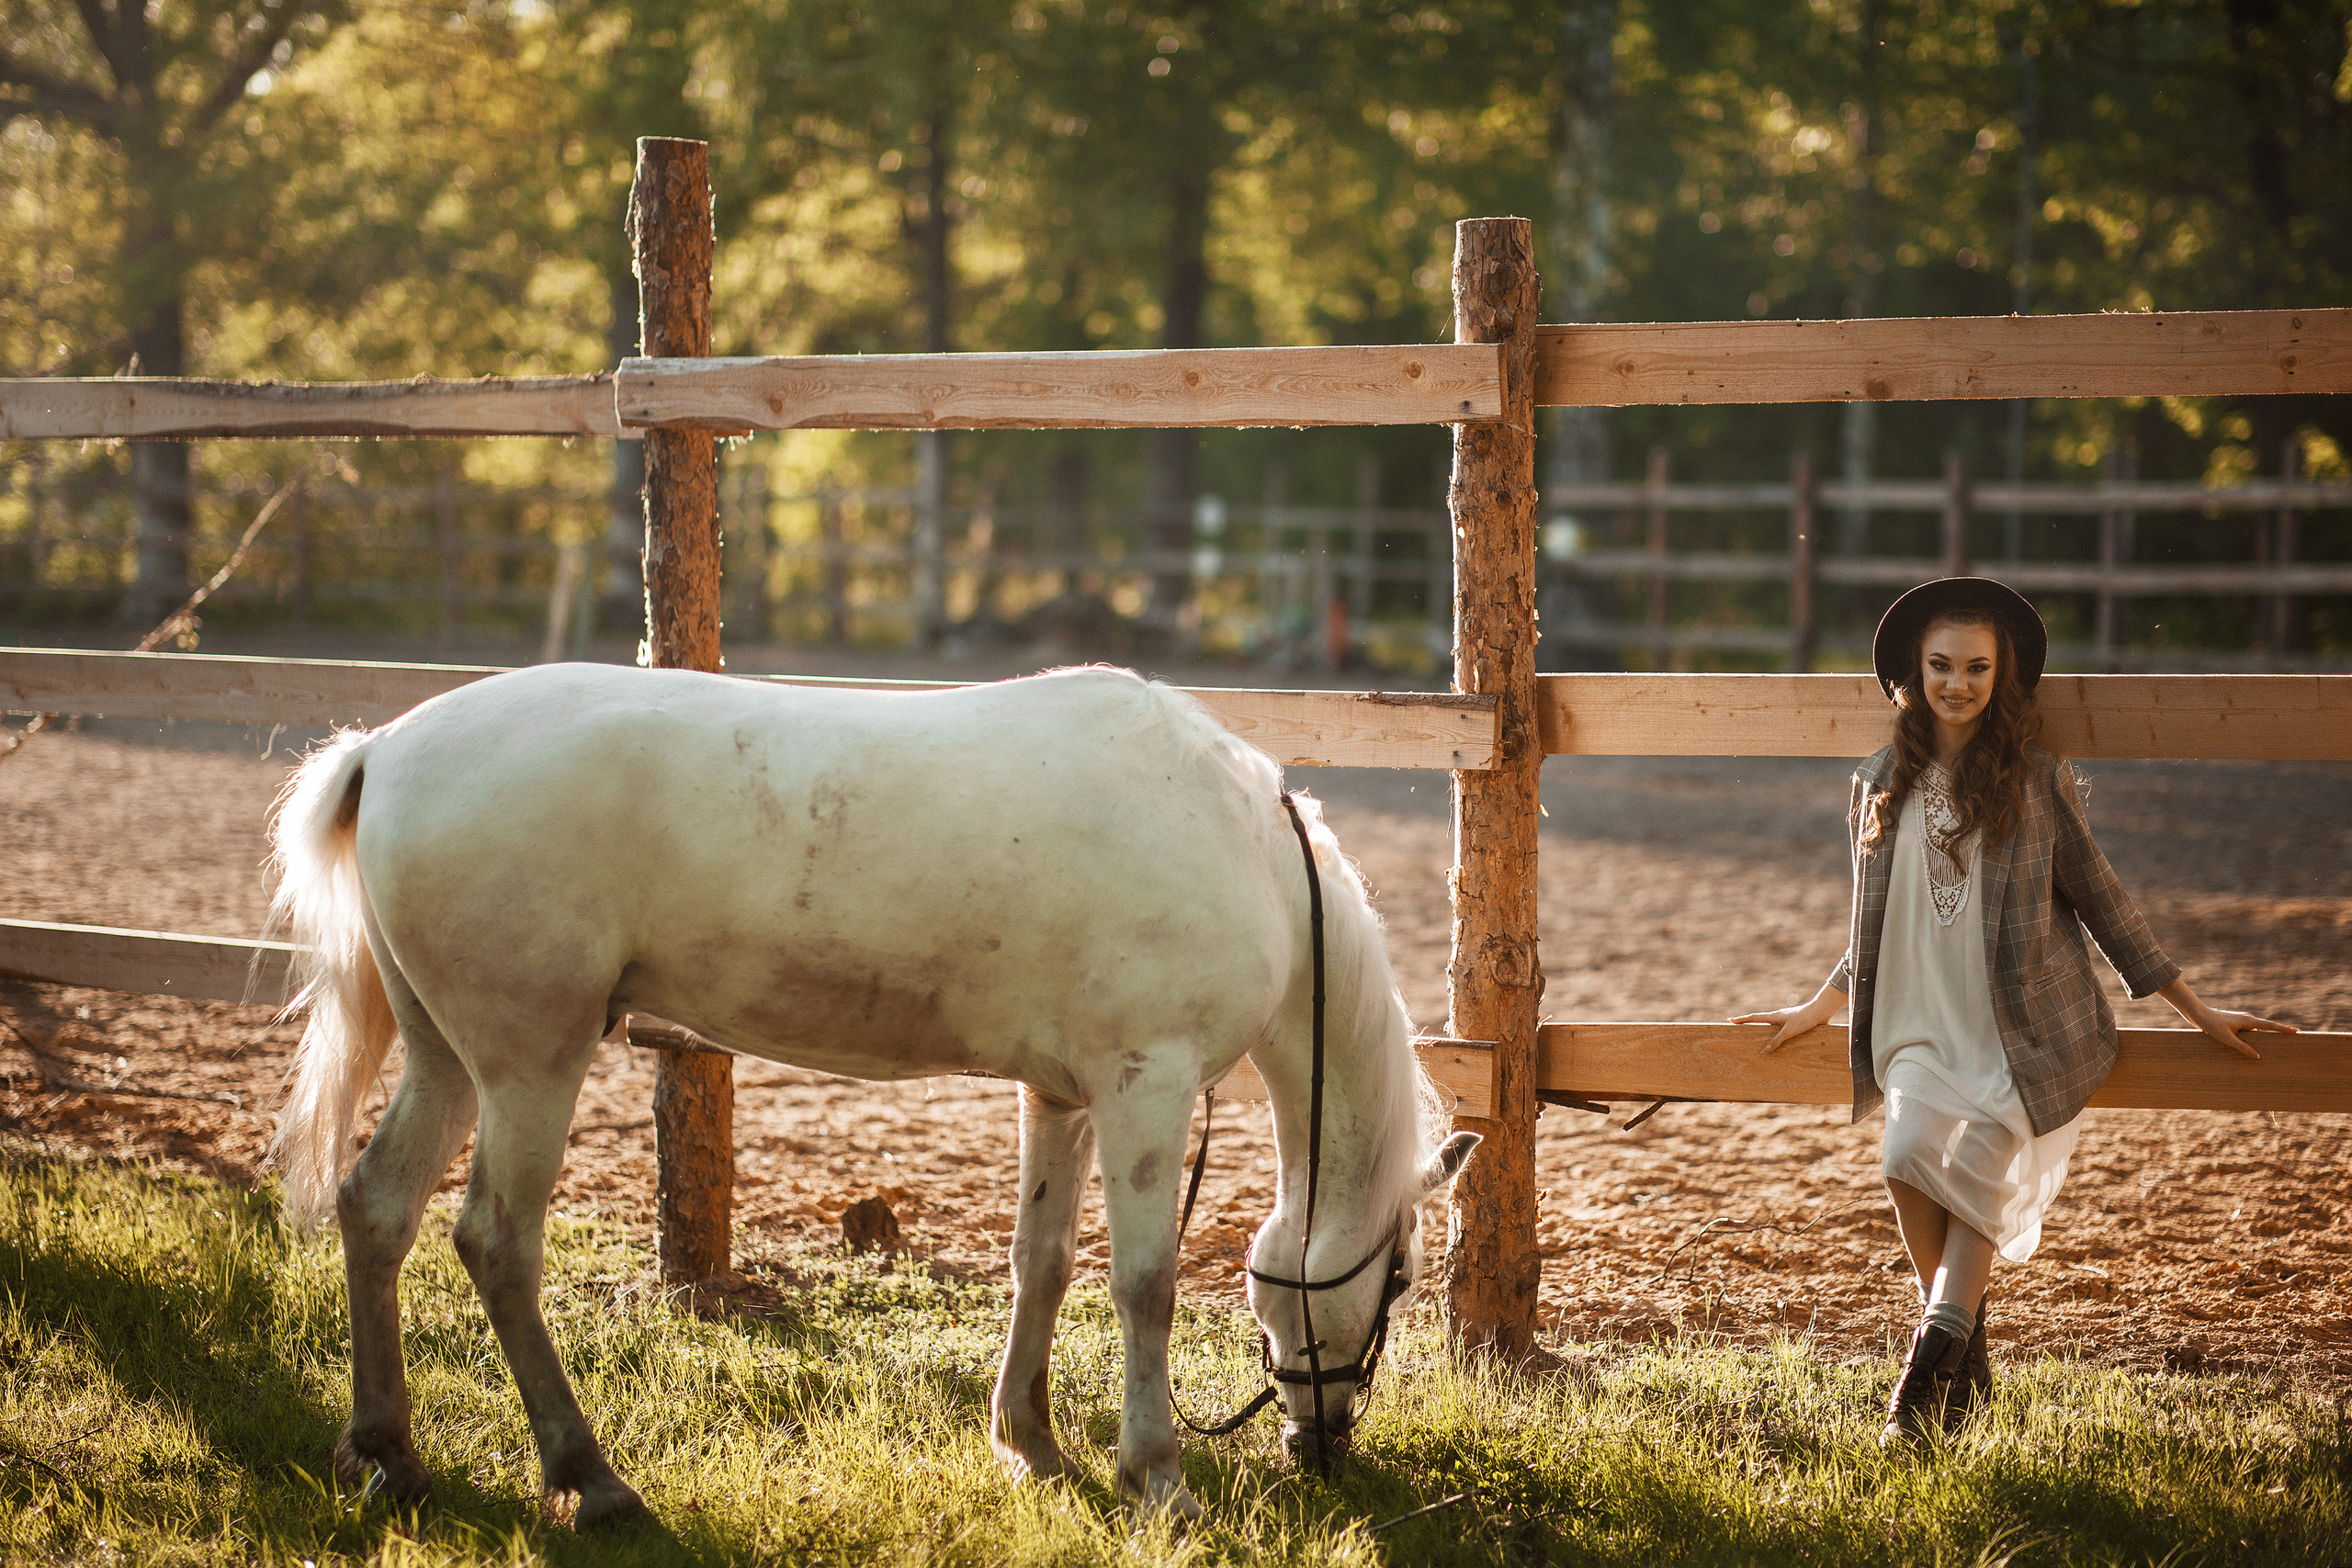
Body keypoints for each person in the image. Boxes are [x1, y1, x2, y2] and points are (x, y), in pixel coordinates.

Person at [1732, 578, 2294, 1447]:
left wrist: (2199, 1010)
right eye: (1942, 665)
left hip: (2014, 1031)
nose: (1958, 682)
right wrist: (1820, 1003)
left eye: (1977, 667)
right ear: (1913, 674)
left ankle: (1920, 1390)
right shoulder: (1879, 782)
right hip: (1916, 1022)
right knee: (1905, 1157)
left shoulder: (2035, 779)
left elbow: (2108, 906)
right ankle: (1966, 1353)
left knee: (1983, 1181)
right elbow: (1876, 922)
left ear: (2004, 674)